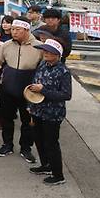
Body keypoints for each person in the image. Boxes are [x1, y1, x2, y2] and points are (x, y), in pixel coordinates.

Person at [0, 17, 42, 163]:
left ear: (27, 30)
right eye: (12, 29)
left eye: (18, 29)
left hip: (29, 91)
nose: (14, 32)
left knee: (28, 121)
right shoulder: (6, 45)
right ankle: (7, 144)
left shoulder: (38, 47)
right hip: (8, 88)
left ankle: (26, 148)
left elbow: (43, 67)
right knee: (7, 119)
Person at [28, 39, 72, 185]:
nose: (45, 53)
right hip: (37, 110)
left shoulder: (63, 71)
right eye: (44, 50)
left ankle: (58, 175)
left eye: (49, 51)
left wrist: (44, 91)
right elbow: (35, 84)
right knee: (39, 140)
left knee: (51, 143)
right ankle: (45, 165)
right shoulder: (42, 65)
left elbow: (66, 95)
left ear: (57, 54)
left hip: (53, 114)